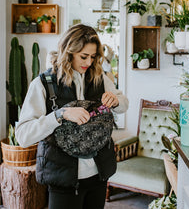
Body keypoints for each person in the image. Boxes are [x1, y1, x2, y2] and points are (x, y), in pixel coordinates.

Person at [15, 24, 129, 209]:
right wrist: (60, 115)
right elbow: (23, 136)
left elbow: (124, 104)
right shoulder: (43, 83)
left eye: (93, 57)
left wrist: (115, 100)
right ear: (68, 52)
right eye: (83, 56)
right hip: (62, 180)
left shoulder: (99, 78)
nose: (88, 62)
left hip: (98, 175)